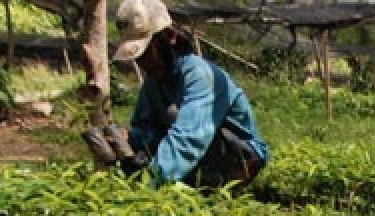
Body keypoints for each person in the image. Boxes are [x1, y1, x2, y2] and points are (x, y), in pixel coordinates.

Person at [105, 0, 269, 188]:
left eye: (147, 52)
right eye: (138, 57)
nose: (143, 63)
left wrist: (148, 185)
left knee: (179, 133)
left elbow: (189, 137)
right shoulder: (154, 82)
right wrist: (129, 139)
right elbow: (145, 128)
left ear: (169, 37)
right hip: (202, 156)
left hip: (238, 154)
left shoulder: (199, 74)